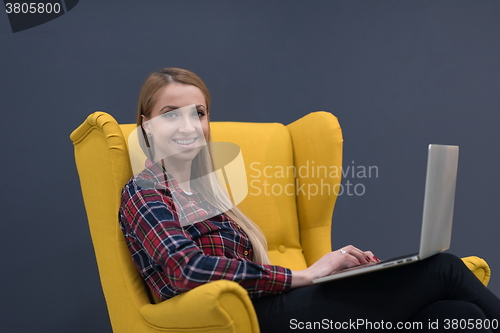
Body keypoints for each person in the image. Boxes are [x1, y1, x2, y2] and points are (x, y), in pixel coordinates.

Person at [119, 67, 500, 332]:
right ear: (145, 124)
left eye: (198, 113)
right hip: (252, 320)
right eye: (171, 114)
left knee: (456, 313)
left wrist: (337, 271)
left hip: (278, 307)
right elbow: (184, 269)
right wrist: (304, 275)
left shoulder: (208, 194)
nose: (188, 125)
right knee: (443, 270)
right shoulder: (145, 191)